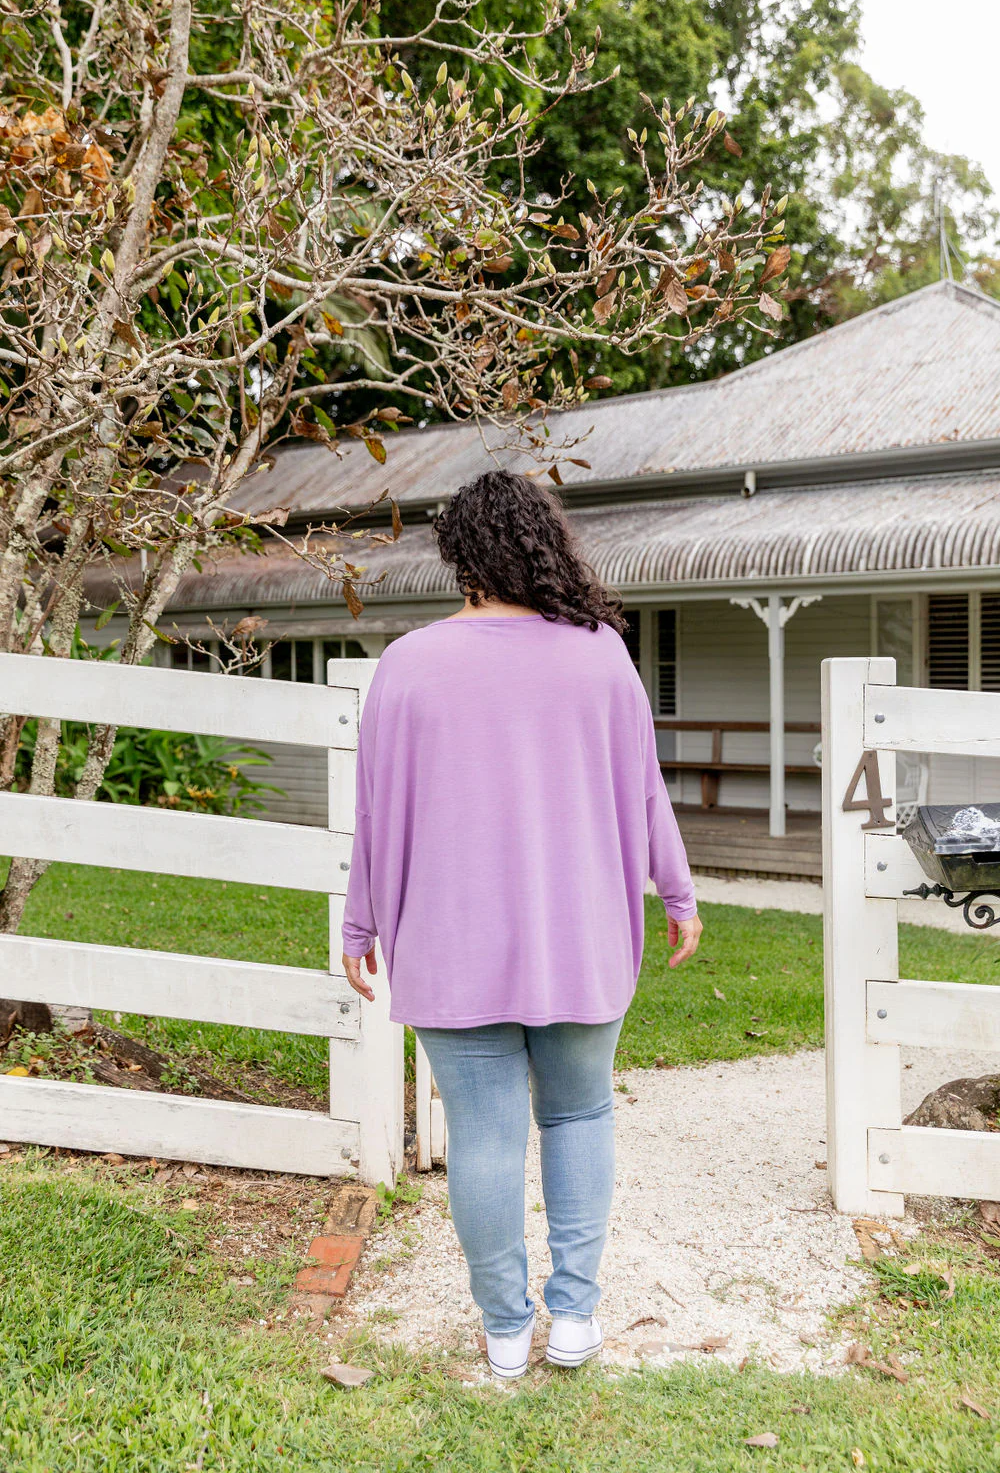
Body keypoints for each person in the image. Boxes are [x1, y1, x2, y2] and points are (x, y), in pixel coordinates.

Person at [341, 468, 702, 1378]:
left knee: (486, 1135)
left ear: (461, 554)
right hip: (579, 938)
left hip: (449, 944)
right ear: (546, 544)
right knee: (579, 1114)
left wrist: (360, 925)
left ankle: (505, 1329)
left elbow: (377, 811)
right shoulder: (601, 652)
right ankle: (574, 1319)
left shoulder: (407, 663)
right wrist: (678, 893)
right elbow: (644, 788)